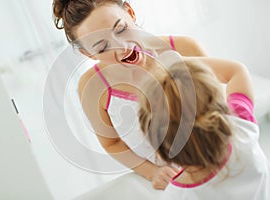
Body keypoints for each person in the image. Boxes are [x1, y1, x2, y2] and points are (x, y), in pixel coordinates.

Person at [52, 0, 207, 190]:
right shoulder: (92, 87)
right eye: (102, 47)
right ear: (88, 54)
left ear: (131, 13)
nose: (122, 47)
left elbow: (223, 108)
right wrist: (153, 172)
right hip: (171, 187)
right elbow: (112, 143)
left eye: (121, 29)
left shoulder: (183, 49)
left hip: (217, 163)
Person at [138, 55, 270, 199]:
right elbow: (237, 70)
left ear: (160, 151)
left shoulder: (178, 195)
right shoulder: (242, 127)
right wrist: (175, 63)